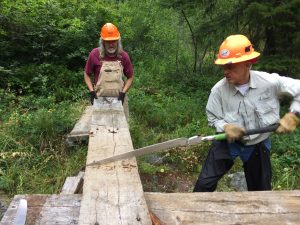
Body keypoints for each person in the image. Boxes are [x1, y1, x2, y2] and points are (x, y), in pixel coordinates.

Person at [194, 34, 300, 192]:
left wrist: (294, 114)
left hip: (258, 143)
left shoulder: (269, 83)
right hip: (228, 143)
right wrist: (225, 126)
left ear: (248, 63)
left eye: (230, 66)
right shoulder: (218, 91)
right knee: (203, 186)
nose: (225, 71)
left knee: (261, 192)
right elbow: (212, 117)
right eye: (223, 67)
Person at [84, 22, 133, 119]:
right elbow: (86, 74)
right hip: (100, 99)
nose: (111, 44)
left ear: (118, 41)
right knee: (100, 128)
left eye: (114, 41)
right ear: (102, 42)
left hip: (120, 100)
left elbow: (130, 77)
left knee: (121, 130)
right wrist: (91, 91)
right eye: (108, 41)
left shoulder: (123, 56)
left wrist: (123, 93)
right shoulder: (94, 54)